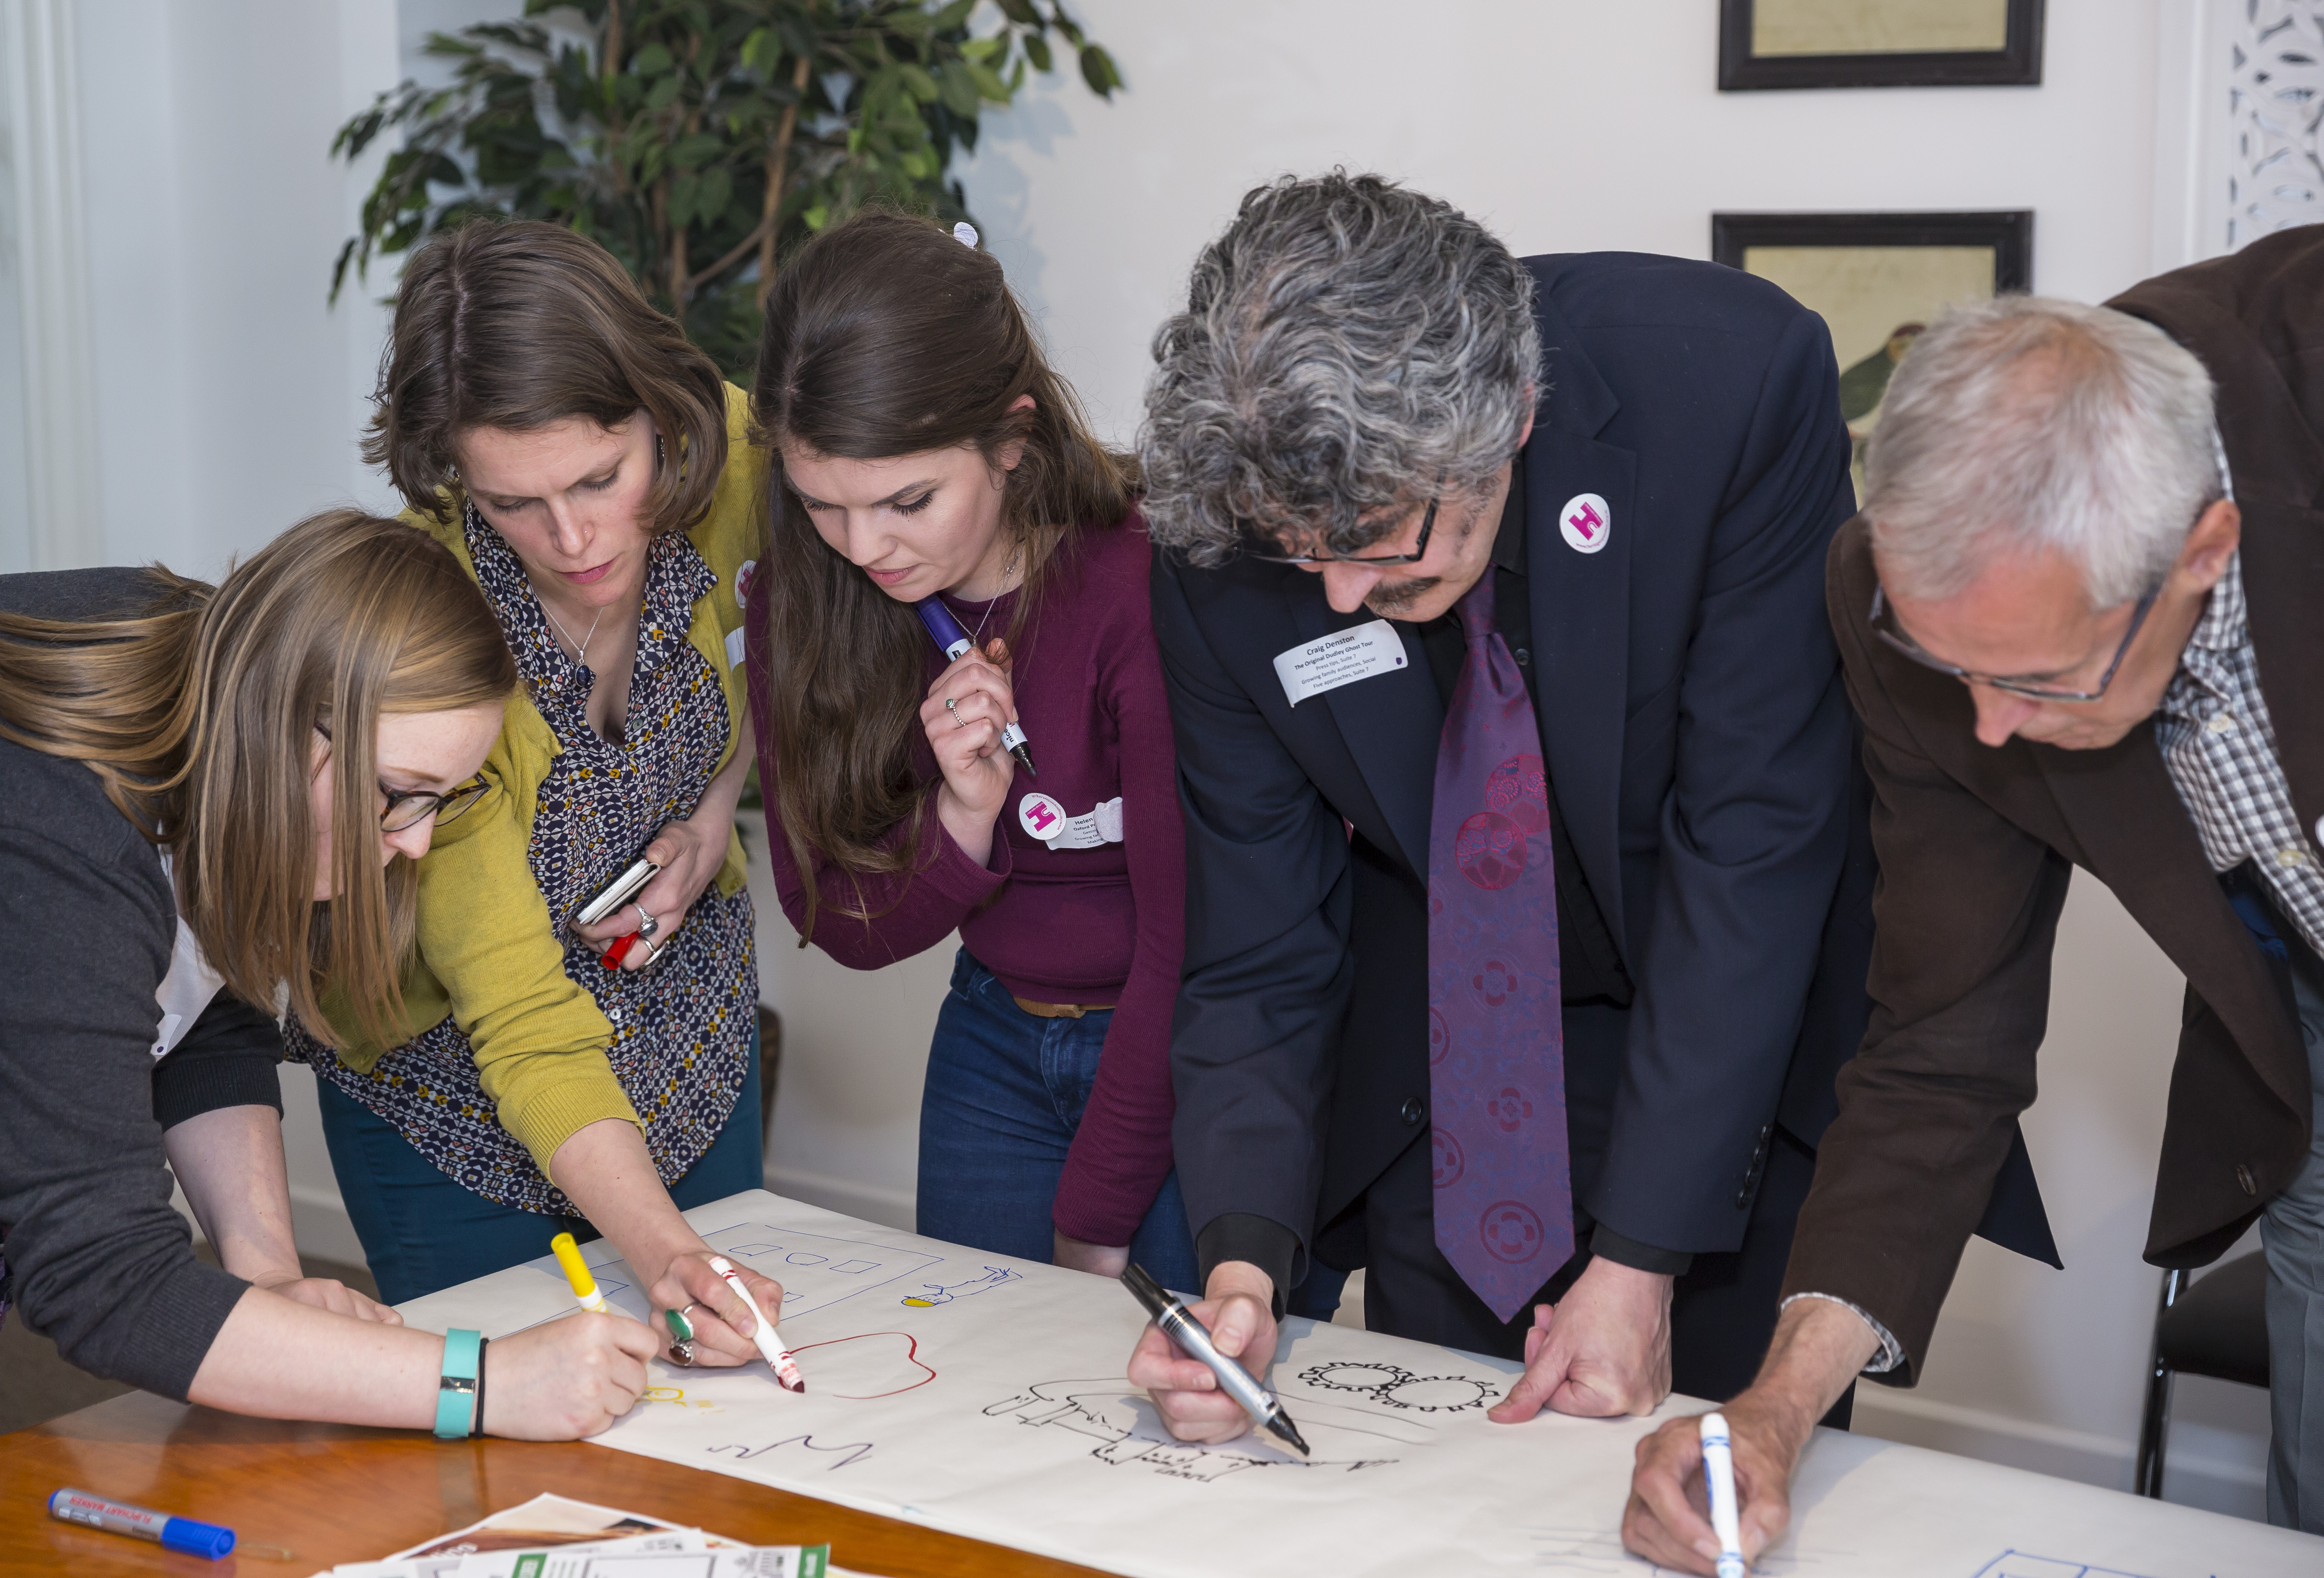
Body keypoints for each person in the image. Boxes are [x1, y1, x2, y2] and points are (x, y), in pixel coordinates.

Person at [1122, 172, 1963, 1443]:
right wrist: (1241, 1268)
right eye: (1306, 553)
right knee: (1449, 1486)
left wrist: (1642, 1259)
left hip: (1725, 1055)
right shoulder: (1230, 539)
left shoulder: (1724, 385)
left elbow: (1754, 842)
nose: (1340, 594)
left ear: (1510, 415)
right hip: (1454, 1073)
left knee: (1704, 1486)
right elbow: (1259, 943)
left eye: (1380, 539)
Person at [1625, 231, 2324, 1567]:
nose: (1990, 732)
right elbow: (1940, 1045)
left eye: (2044, 681)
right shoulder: (1920, 638)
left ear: (2205, 549)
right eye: (1956, 675)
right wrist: (1775, 1409)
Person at [0, 511, 667, 1511]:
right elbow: (103, 1280)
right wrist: (483, 1385)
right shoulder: (44, 846)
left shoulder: (231, 672)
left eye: (440, 801)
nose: (411, 844)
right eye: (401, 795)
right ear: (289, 725)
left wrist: (264, 1269)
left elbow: (199, 999)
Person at [287, 220, 782, 1359]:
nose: (572, 538)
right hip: (447, 1076)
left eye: (603, 478)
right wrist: (668, 1254)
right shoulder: (432, 633)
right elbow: (517, 1019)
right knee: (506, 1425)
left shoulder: (743, 456)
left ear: (664, 413)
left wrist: (713, 814)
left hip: (684, 1019)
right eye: (511, 503)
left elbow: (788, 641)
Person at [742, 211, 1229, 1297]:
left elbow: (1186, 944)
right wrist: (961, 817)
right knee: (979, 1402)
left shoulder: (1144, 584)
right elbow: (834, 916)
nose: (865, 548)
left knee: (1163, 1413)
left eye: (908, 501)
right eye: (823, 504)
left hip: (1181, 1045)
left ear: (1012, 438)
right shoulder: (804, 596)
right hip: (991, 1039)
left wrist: (1097, 1220)